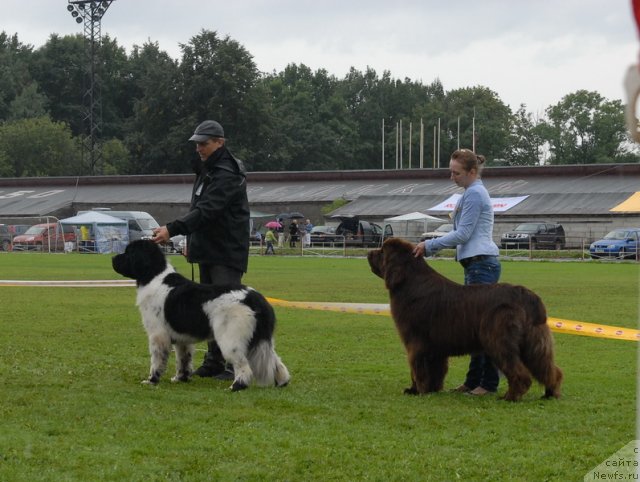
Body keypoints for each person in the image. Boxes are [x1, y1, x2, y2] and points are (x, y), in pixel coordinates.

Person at [152, 119, 250, 381]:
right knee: (209, 308)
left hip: (226, 252)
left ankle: (233, 365)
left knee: (227, 309)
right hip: (209, 249)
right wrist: (192, 243)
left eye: (204, 143)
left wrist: (172, 229)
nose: (199, 148)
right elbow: (200, 210)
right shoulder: (208, 170)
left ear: (220, 142)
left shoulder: (227, 173)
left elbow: (208, 210)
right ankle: (214, 361)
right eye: (197, 143)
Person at [413, 148, 501, 396]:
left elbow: (463, 234)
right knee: (473, 327)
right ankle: (473, 381)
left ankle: (488, 383)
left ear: (472, 172)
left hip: (481, 265)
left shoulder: (474, 195)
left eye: (457, 173)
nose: (452, 177)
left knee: (484, 328)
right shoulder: (469, 193)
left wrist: (429, 245)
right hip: (475, 265)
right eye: (451, 172)